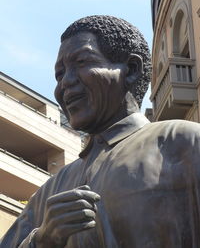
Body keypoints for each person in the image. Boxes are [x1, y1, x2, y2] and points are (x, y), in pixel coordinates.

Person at [1, 15, 200, 248]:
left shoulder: (184, 142)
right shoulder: (49, 193)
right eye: (59, 74)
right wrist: (43, 239)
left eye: (82, 63)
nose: (65, 82)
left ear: (131, 70)